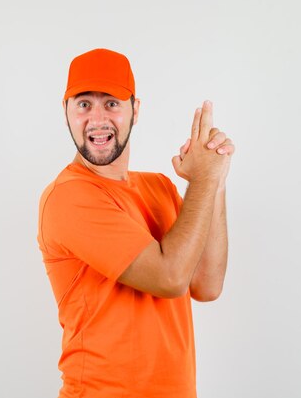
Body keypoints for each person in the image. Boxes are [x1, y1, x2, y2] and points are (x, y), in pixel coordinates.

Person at [37, 48, 235, 398]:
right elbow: (171, 277)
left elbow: (207, 284)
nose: (97, 118)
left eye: (111, 103)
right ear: (65, 112)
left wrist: (214, 173)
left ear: (135, 110)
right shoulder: (68, 197)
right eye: (83, 104)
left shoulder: (158, 186)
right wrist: (202, 181)